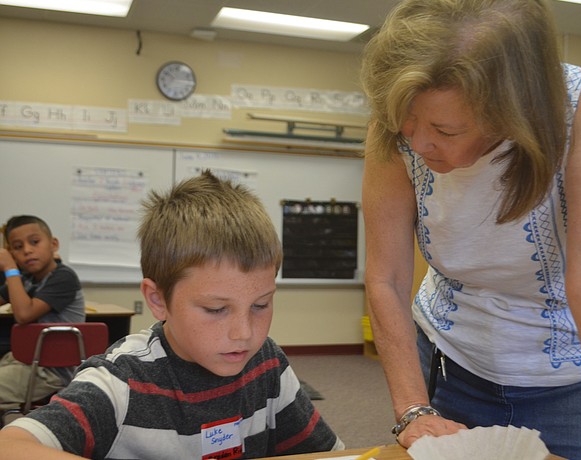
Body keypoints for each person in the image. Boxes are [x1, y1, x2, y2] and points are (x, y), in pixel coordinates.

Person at [360, 1, 581, 459]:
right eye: (408, 126)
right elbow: (387, 278)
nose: (416, 143)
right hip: (453, 361)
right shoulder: (403, 110)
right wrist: (413, 409)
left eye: (444, 129)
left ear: (510, 112)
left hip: (576, 380)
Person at [0, 171, 344, 459]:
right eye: (216, 309)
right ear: (158, 299)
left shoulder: (266, 364)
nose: (244, 333)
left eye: (261, 304)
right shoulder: (123, 381)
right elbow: (11, 446)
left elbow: (328, 454)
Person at [0, 215, 85, 408]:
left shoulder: (64, 277)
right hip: (26, 361)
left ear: (53, 244)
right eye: (18, 247)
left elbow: (24, 314)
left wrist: (10, 268)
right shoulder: (27, 278)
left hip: (53, 371)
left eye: (34, 242)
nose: (27, 251)